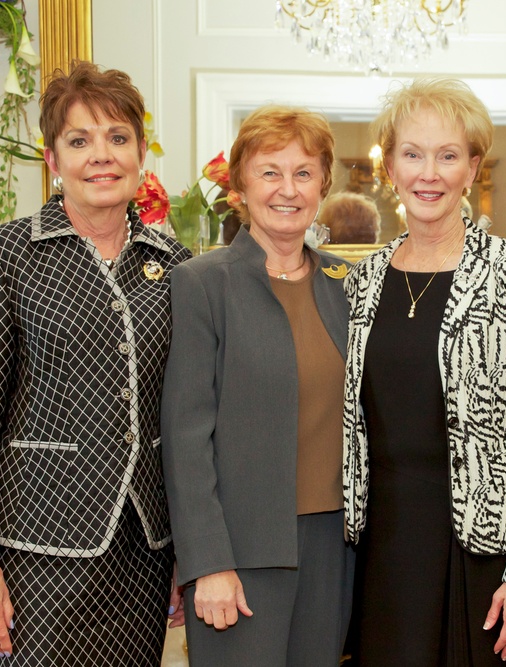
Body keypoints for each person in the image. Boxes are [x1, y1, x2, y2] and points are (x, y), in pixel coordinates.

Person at [0, 61, 189, 665]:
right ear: (52, 161)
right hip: (33, 548)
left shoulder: (175, 265)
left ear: (140, 154)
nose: (101, 156)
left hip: (143, 552)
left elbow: (183, 419)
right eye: (79, 141)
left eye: (117, 138)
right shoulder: (2, 255)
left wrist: (188, 553)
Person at [342, 77, 506, 665]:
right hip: (384, 547)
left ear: (472, 168)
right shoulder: (364, 280)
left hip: (482, 550)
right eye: (412, 154)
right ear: (389, 166)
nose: (428, 173)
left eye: (447, 155)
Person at [161, 105, 354, 665]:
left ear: (322, 184)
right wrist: (207, 564)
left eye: (303, 172)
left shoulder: (347, 283)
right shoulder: (202, 284)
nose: (287, 189)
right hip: (238, 556)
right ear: (240, 184)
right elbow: (186, 439)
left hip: (334, 549)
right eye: (270, 171)